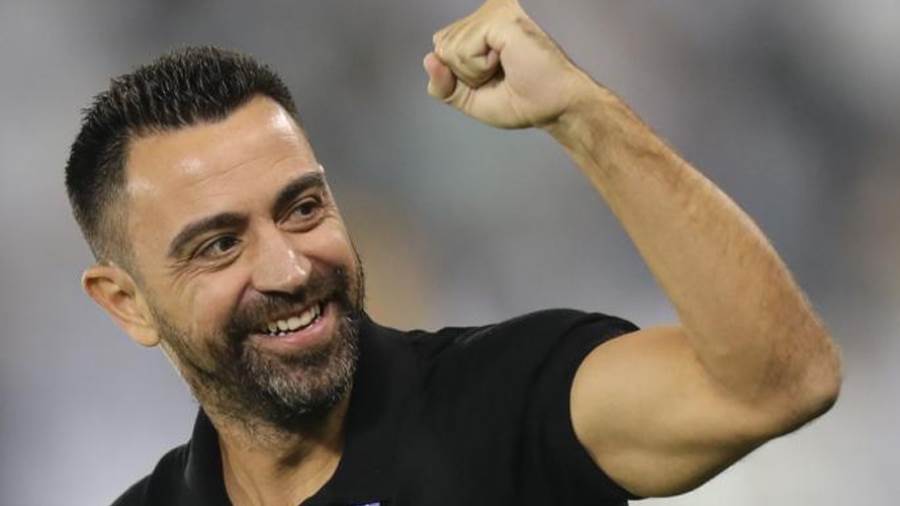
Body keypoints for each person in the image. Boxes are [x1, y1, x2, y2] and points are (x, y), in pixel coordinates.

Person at [65, 1, 842, 505]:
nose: (290, 268)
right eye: (219, 244)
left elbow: (778, 386)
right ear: (126, 303)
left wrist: (581, 114)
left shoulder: (507, 399)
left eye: (302, 209)